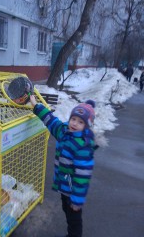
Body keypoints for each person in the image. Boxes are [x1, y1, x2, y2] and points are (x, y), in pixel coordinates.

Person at [30, 95, 98, 237]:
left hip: (73, 192)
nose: (74, 123)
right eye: (73, 119)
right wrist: (36, 106)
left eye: (80, 122)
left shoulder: (83, 146)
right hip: (65, 188)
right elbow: (51, 121)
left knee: (74, 219)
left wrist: (77, 200)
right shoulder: (64, 132)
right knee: (67, 211)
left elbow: (82, 177)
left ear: (87, 126)